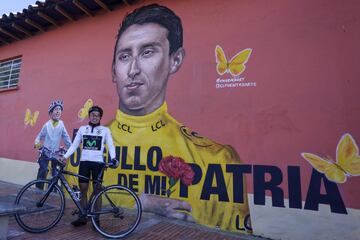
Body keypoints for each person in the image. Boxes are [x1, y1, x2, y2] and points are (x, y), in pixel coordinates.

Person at [105, 4, 252, 233]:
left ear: (175, 60)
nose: (132, 69)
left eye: (147, 52)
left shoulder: (217, 160)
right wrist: (137, 204)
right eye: (125, 56)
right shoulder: (85, 149)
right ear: (114, 70)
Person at [62, 106, 118, 226]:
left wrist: (113, 158)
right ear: (89, 116)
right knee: (83, 190)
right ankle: (82, 217)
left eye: (97, 115)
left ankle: (96, 219)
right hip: (84, 163)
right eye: (93, 115)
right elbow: (74, 145)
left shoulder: (105, 130)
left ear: (100, 117)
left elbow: (111, 145)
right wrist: (65, 157)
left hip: (98, 164)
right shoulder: (83, 129)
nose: (95, 117)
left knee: (97, 191)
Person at [34, 100, 72, 189]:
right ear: (51, 112)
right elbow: (39, 137)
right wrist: (37, 144)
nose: (58, 111)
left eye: (59, 109)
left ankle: (52, 190)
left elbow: (66, 138)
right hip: (46, 150)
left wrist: (71, 148)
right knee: (44, 169)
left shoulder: (61, 124)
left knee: (55, 172)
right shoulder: (46, 125)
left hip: (55, 152)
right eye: (56, 109)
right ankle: (38, 189)